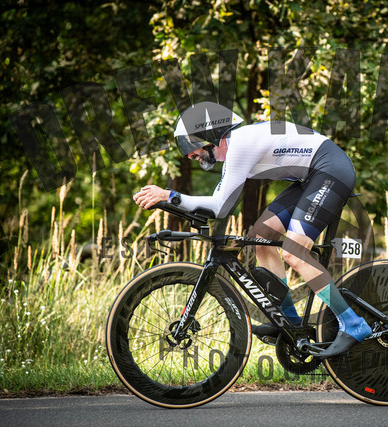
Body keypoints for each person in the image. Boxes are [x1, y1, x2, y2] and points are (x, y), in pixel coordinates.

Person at [133, 101, 371, 358]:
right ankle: (289, 323)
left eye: (190, 146)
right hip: (312, 176)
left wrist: (170, 196)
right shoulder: (238, 147)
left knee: (294, 251)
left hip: (330, 170)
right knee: (260, 237)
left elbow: (219, 207)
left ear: (210, 135)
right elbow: (216, 205)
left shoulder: (240, 145)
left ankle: (353, 323)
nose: (189, 155)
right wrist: (170, 201)